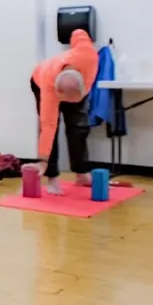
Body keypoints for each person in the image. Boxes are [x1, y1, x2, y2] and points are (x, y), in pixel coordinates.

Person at [31, 28, 99, 195]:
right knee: (52, 128)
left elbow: (78, 32)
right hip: (40, 80)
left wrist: (73, 40)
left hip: (71, 82)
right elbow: (48, 126)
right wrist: (43, 160)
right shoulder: (49, 88)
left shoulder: (88, 54)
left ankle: (82, 173)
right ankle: (52, 178)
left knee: (79, 128)